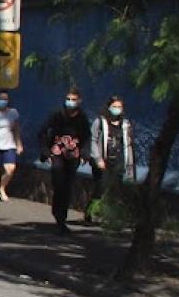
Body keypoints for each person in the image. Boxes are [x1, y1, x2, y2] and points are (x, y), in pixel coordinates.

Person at [39, 87, 93, 234]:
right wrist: (46, 152)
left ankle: (61, 218)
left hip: (73, 156)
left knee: (67, 187)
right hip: (57, 154)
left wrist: (84, 154)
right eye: (68, 99)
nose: (70, 102)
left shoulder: (82, 118)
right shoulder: (57, 115)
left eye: (74, 100)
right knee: (59, 184)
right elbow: (43, 132)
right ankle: (58, 214)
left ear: (79, 101)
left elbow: (87, 137)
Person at [87, 95, 135, 224]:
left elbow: (128, 143)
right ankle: (91, 213)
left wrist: (129, 164)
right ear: (108, 107)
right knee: (100, 187)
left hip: (118, 160)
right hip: (103, 160)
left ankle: (110, 217)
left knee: (115, 190)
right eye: (114, 106)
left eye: (119, 107)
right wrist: (98, 158)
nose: (117, 109)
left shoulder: (125, 124)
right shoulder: (100, 122)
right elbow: (93, 140)